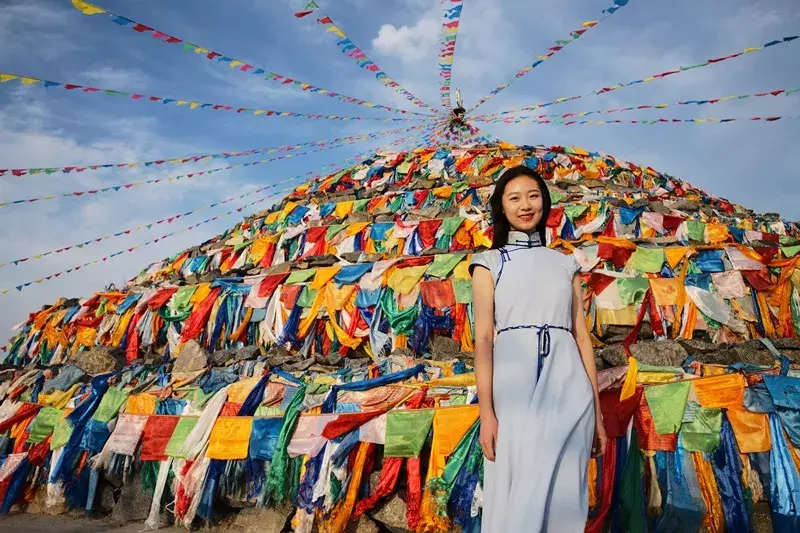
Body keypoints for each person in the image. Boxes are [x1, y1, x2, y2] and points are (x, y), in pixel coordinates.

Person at [469, 165, 607, 532]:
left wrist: (598, 415)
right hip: (513, 389)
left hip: (569, 386)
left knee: (566, 494)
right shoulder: (488, 262)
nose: (525, 205)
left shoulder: (565, 264)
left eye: (533, 196)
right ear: (501, 206)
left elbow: (582, 338)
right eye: (514, 198)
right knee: (514, 491)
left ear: (545, 203)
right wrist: (486, 413)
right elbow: (482, 339)